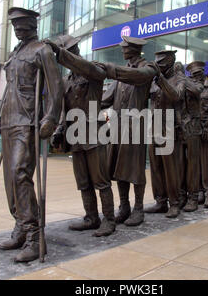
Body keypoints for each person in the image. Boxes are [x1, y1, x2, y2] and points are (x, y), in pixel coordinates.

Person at [0, 7, 63, 262]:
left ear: (32, 26)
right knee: (10, 180)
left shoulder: (42, 50)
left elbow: (55, 87)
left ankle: (36, 237)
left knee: (20, 174)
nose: (17, 30)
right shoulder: (15, 54)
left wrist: (51, 118)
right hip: (9, 120)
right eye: (15, 26)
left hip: (28, 121)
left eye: (21, 26)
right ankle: (21, 228)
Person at [45, 35, 116, 237]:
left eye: (71, 51)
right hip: (75, 136)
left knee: (101, 181)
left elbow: (87, 68)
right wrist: (59, 130)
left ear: (75, 52)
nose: (70, 56)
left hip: (95, 134)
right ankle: (91, 217)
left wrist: (60, 54)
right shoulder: (66, 82)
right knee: (83, 182)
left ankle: (109, 220)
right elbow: (63, 111)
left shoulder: (93, 70)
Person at [101, 36, 159, 226]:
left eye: (124, 47)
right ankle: (124, 206)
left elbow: (138, 77)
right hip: (118, 128)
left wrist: (111, 70)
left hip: (136, 129)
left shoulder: (147, 68)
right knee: (119, 169)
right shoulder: (120, 75)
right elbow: (106, 99)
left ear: (133, 48)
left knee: (135, 170)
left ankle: (139, 209)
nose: (122, 50)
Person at [144, 50, 185, 218]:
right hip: (153, 126)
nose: (158, 66)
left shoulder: (179, 79)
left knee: (170, 168)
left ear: (170, 62)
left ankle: (174, 203)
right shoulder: (152, 81)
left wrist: (161, 80)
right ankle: (160, 201)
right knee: (155, 166)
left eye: (161, 63)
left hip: (169, 127)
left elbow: (176, 96)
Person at [187, 61, 208, 209]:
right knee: (194, 163)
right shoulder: (189, 89)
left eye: (199, 74)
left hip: (207, 130)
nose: (196, 77)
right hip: (193, 130)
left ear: (203, 73)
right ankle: (198, 192)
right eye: (194, 75)